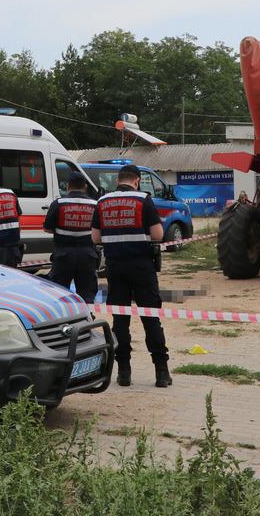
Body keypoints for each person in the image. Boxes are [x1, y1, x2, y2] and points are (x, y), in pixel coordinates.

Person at [91, 164, 170, 388]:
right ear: (137, 180)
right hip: (142, 268)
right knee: (151, 318)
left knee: (120, 321)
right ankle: (161, 373)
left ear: (118, 180)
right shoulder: (143, 200)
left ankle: (123, 372)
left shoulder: (103, 202)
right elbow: (158, 234)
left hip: (116, 268)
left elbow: (95, 237)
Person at [43, 171, 99, 303]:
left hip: (63, 256)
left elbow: (47, 228)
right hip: (88, 255)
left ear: (68, 186)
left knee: (59, 294)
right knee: (87, 296)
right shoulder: (95, 205)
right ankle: (86, 320)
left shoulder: (58, 203)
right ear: (85, 186)